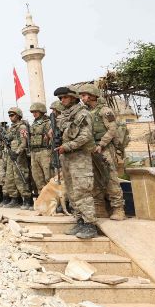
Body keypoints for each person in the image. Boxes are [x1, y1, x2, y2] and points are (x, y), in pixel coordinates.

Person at [54, 86, 99, 239]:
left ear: (73, 97)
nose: (62, 100)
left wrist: (67, 146)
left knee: (82, 190)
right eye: (60, 98)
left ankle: (90, 224)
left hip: (80, 157)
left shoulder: (82, 113)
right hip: (67, 157)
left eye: (65, 97)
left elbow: (85, 136)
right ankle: (79, 220)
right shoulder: (64, 116)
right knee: (72, 191)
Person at [79, 84, 126, 221]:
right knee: (94, 179)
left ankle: (118, 209)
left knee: (110, 178)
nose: (82, 98)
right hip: (91, 149)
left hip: (104, 148)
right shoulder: (86, 112)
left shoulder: (105, 111)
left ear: (92, 95)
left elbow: (112, 129)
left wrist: (101, 144)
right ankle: (100, 208)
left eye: (84, 95)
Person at [1, 107, 32, 210]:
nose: (10, 117)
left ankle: (27, 200)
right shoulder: (10, 128)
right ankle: (14, 199)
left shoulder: (22, 127)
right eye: (9, 115)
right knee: (10, 177)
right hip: (10, 156)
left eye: (12, 115)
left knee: (21, 177)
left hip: (19, 156)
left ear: (18, 115)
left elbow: (24, 142)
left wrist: (17, 152)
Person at [29, 102, 53, 193]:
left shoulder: (48, 122)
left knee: (48, 176)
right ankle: (43, 197)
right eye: (33, 112)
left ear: (42, 111)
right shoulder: (34, 124)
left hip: (45, 151)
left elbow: (51, 136)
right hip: (34, 152)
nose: (34, 114)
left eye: (36, 112)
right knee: (37, 177)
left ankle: (53, 198)